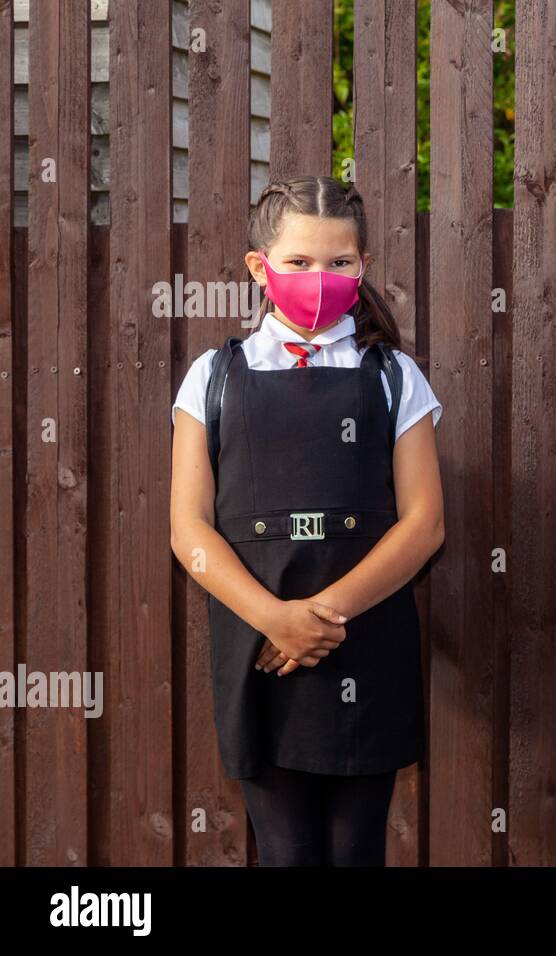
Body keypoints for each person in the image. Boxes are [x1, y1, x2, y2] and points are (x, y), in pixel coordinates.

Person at [170, 176, 445, 865]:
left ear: (364, 268)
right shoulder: (214, 377)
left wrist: (315, 618)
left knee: (357, 852)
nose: (319, 278)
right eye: (298, 262)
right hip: (260, 650)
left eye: (340, 263)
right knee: (286, 853)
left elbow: (423, 524)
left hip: (365, 640)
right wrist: (272, 618)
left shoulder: (394, 377)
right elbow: (189, 528)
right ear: (260, 268)